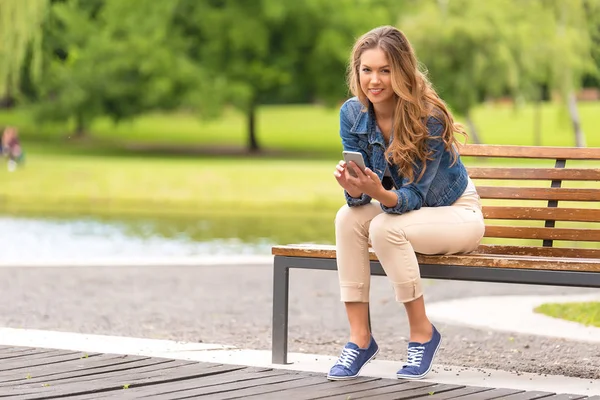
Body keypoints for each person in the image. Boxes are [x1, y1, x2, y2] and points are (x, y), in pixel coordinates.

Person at [328, 25, 485, 381]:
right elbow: (363, 198)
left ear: (402, 71)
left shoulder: (426, 116)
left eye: (385, 70)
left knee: (386, 227)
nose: (375, 80)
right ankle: (360, 339)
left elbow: (412, 195)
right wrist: (353, 188)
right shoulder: (352, 114)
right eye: (366, 70)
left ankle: (422, 333)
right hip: (403, 210)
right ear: (356, 72)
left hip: (456, 212)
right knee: (345, 218)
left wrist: (379, 194)